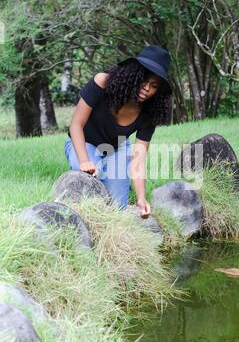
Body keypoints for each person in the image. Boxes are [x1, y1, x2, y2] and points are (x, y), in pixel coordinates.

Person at [64, 45, 172, 218]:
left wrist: (141, 198)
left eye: (154, 85)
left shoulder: (150, 112)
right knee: (87, 175)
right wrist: (84, 161)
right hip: (85, 142)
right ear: (133, 75)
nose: (146, 88)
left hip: (117, 149)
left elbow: (139, 158)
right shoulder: (103, 83)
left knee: (117, 207)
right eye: (143, 81)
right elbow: (76, 124)